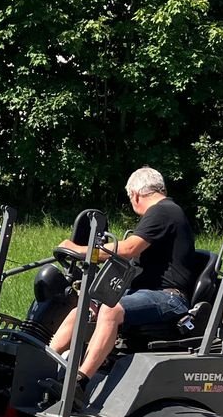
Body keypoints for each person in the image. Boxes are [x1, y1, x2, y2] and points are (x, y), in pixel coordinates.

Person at [50, 166, 196, 392]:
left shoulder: (163, 211)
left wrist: (82, 250)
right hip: (148, 294)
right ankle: (45, 362)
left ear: (135, 195)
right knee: (84, 306)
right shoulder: (166, 212)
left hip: (169, 298)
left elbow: (127, 249)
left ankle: (78, 383)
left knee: (111, 309)